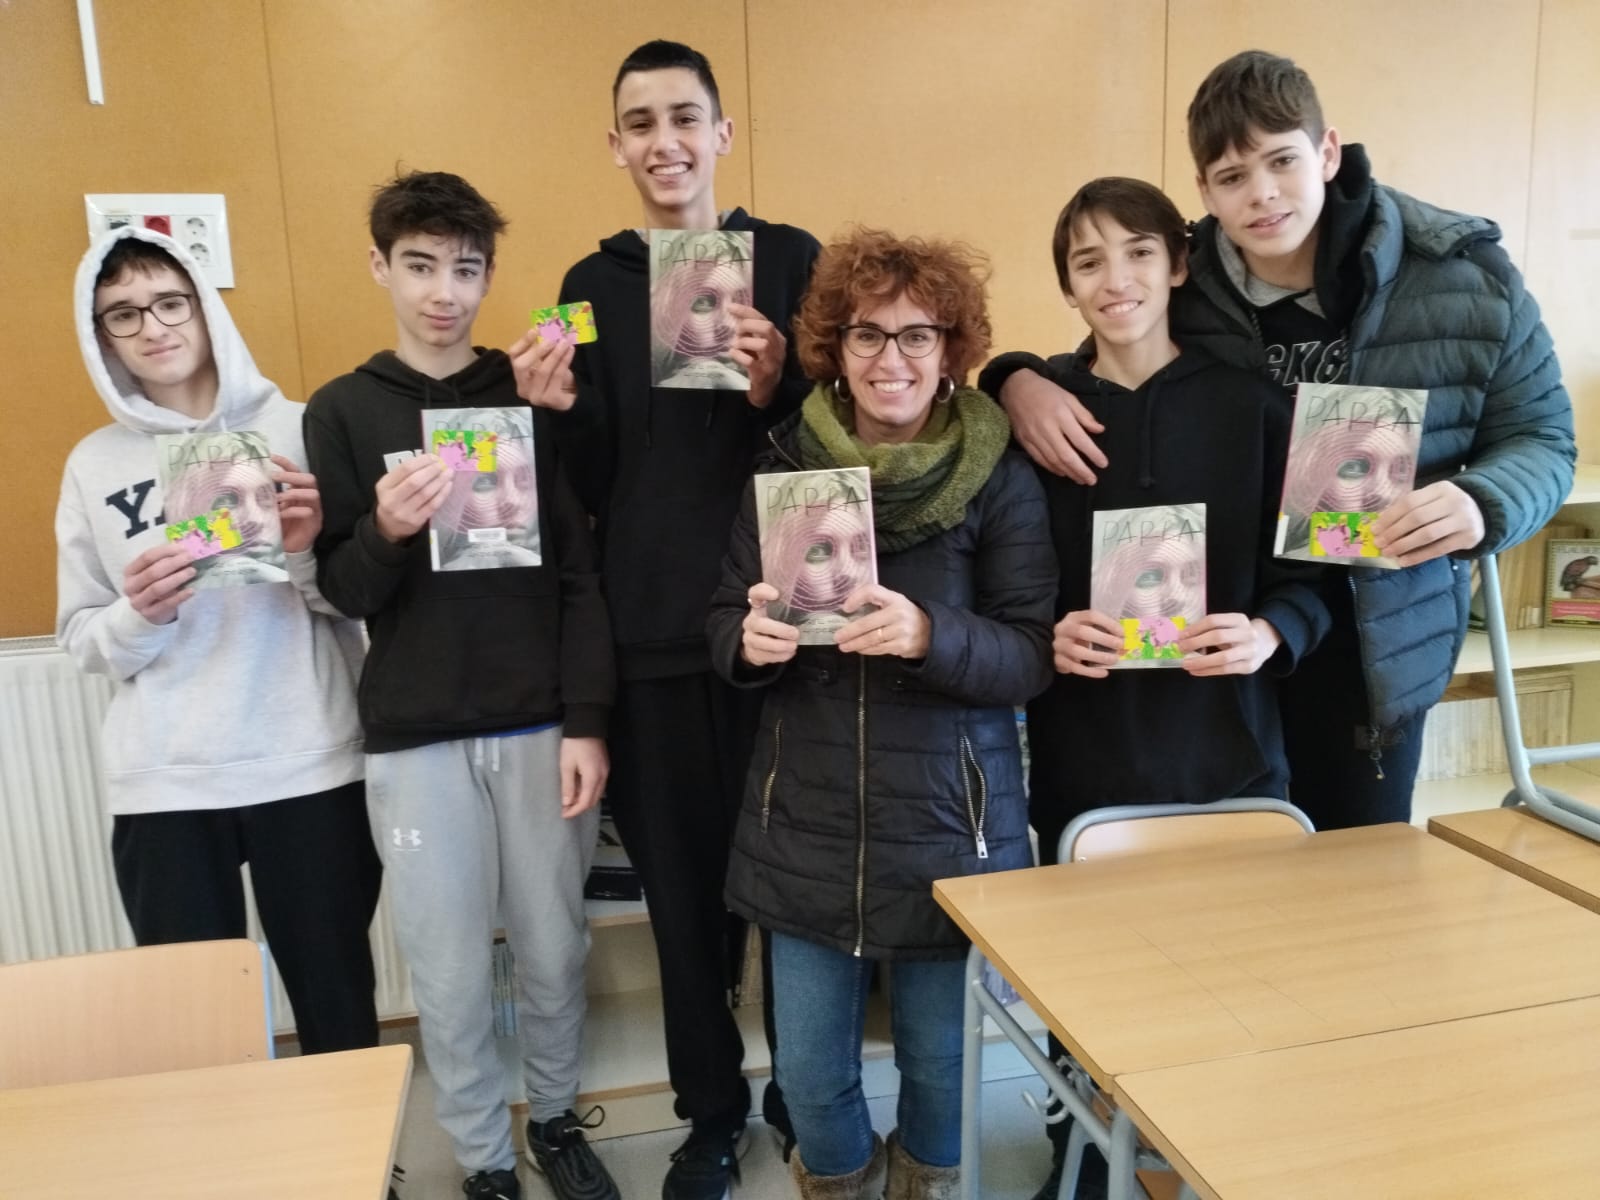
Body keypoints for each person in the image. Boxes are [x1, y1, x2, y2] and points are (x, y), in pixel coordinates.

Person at [984, 49, 1575, 835]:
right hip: (1213, 663)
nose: (1261, 194)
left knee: (1352, 868)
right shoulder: (1188, 272)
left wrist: (1482, 502)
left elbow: (1544, 438)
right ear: (1205, 192)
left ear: (1327, 152)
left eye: (1282, 161)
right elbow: (1108, 358)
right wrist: (1012, 379)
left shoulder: (1462, 277)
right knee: (1220, 866)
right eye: (1233, 176)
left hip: (1370, 639)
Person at [510, 39, 821, 1200]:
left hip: (781, 628)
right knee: (683, 901)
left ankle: (807, 1093)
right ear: (615, 145)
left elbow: (843, 434)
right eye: (640, 123)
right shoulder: (583, 288)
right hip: (649, 639)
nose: (665, 142)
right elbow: (590, 479)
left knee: (791, 887)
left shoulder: (791, 260)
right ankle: (711, 1115)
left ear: (722, 132)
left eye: (685, 117)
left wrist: (776, 386)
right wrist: (551, 412)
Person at [706, 228, 1057, 1200]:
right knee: (811, 1076)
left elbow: (1030, 653)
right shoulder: (786, 463)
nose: (889, 358)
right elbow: (723, 616)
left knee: (942, 1068)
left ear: (949, 349)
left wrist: (928, 634)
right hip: (804, 824)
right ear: (835, 345)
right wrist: (748, 640)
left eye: (916, 335)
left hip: (952, 826)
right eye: (867, 334)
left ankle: (930, 1181)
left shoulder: (998, 473)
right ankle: (836, 1179)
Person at [1008, 178, 1332, 1200]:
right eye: (1088, 261)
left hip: (1230, 751)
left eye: (1139, 252)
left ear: (1180, 264)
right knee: (1087, 987)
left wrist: (1270, 632)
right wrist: (1045, 632)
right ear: (1066, 286)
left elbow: (1320, 576)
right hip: (1085, 759)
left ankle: (1208, 1158)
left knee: (1230, 988)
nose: (1117, 280)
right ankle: (1078, 1160)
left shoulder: (1255, 407)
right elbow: (1001, 576)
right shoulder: (1038, 416)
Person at [303, 171, 618, 1200]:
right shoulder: (341, 410)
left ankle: (556, 1120)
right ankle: (484, 1157)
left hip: (540, 725)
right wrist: (387, 528)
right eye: (420, 265)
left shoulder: (529, 392)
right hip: (414, 732)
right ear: (380, 267)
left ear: (488, 276)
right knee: (445, 969)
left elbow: (579, 572)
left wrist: (587, 721)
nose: (444, 291)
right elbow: (343, 589)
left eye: (466, 269)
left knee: (554, 948)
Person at [56, 227, 380, 1057]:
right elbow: (83, 636)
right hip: (166, 780)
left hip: (309, 761)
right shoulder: (93, 463)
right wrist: (141, 614)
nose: (152, 327)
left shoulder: (303, 428)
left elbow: (355, 600)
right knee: (198, 1034)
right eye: (122, 314)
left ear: (205, 308)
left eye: (170, 302)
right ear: (102, 338)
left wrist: (305, 548)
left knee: (338, 1007)